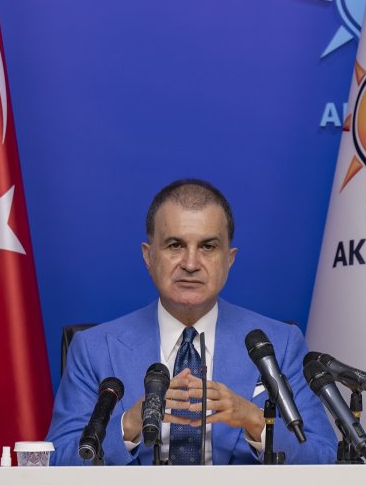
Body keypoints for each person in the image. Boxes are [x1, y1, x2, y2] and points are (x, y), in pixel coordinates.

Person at [46, 179, 336, 465]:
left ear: (229, 259)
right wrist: (127, 425)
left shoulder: (281, 344)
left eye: (208, 247)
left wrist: (254, 421)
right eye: (175, 245)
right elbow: (55, 462)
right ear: (149, 256)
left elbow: (326, 458)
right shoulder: (94, 349)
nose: (191, 263)